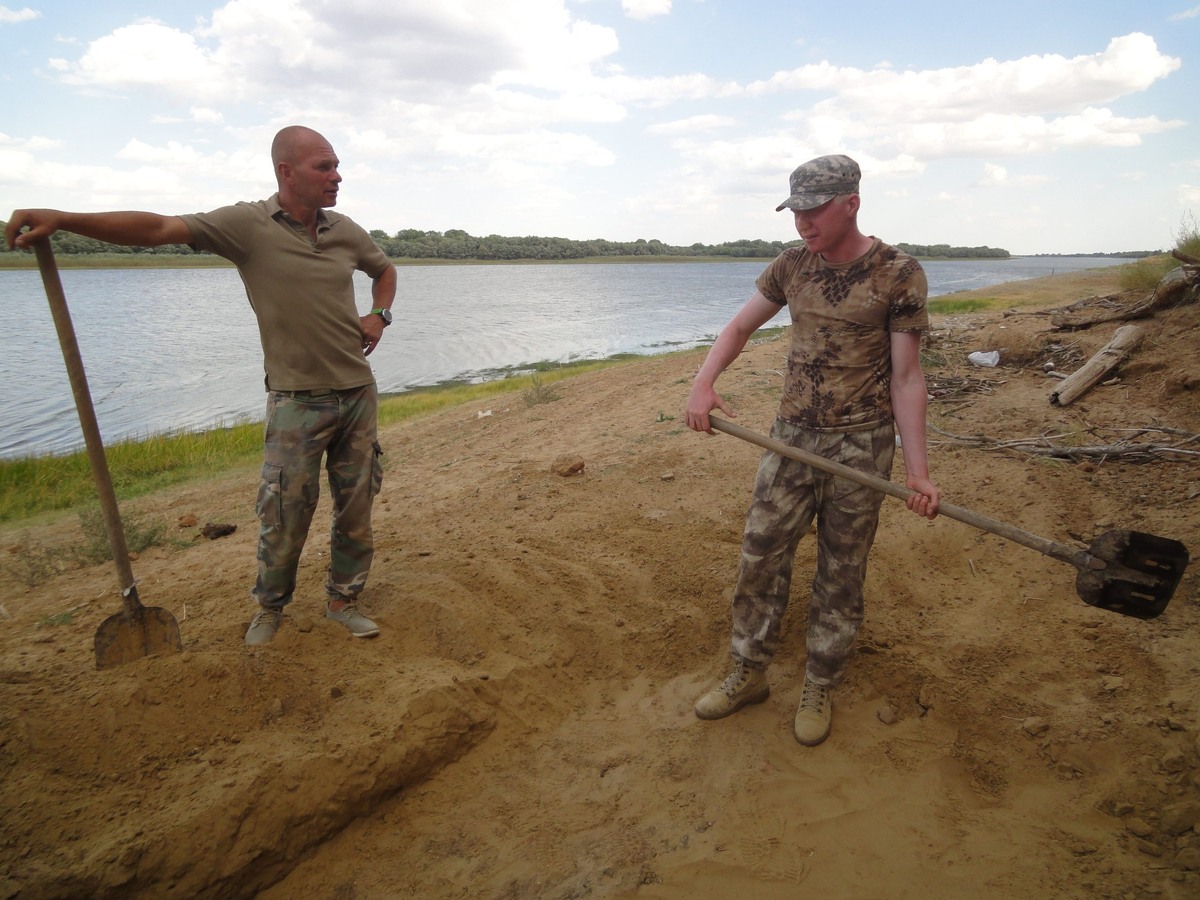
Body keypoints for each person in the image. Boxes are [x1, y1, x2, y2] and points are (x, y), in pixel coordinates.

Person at [7, 125, 398, 647]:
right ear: (286, 172)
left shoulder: (345, 230)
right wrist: (65, 220)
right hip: (296, 401)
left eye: (336, 165)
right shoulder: (246, 226)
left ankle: (342, 601)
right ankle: (270, 608)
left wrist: (378, 314)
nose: (337, 175)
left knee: (356, 507)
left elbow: (384, 269)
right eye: (323, 166)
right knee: (283, 513)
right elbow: (158, 229)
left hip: (357, 393)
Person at [685, 154, 940, 746]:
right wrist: (703, 382)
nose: (803, 223)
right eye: (796, 210)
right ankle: (748, 672)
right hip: (792, 437)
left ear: (851, 202)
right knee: (761, 552)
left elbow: (907, 379)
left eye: (815, 209)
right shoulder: (793, 265)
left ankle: (821, 680)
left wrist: (919, 473)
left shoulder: (898, 272)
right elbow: (739, 328)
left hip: (862, 444)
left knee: (841, 571)